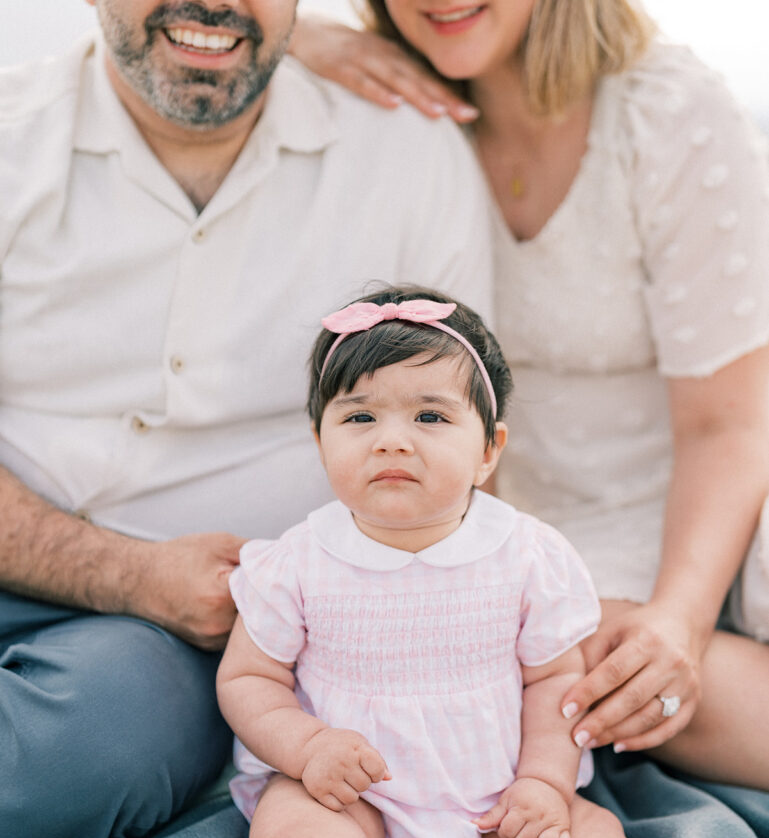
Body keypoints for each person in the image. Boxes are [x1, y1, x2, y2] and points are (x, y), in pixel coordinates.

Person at [0, 0, 494, 838]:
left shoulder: (403, 156)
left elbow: (453, 444)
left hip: (161, 649)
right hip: (41, 546)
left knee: (111, 736)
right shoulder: (13, 137)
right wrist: (126, 571)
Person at [216, 285, 739, 838]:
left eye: (430, 416)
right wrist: (307, 748)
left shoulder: (525, 556)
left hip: (492, 808)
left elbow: (555, 682)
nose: (391, 440)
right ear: (319, 439)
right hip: (355, 803)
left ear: (489, 449)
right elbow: (248, 679)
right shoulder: (295, 563)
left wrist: (544, 785)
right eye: (359, 416)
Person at [288, 1, 769, 789]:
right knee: (591, 664)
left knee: (650, 655)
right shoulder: (396, 116)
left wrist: (678, 620)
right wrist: (299, 35)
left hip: (715, 490)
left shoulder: (667, 110)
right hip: (541, 516)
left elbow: (726, 425)